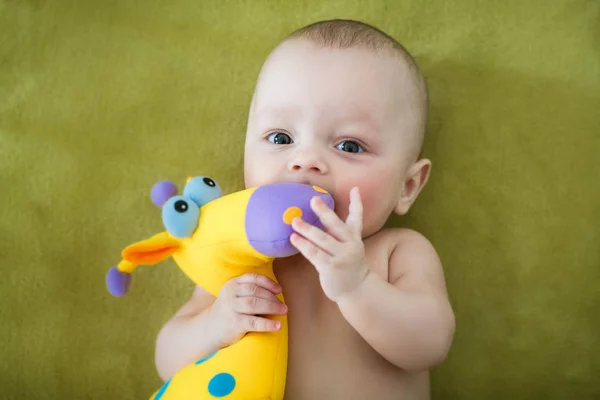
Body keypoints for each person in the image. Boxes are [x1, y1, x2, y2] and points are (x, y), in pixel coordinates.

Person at [155, 19, 455, 399]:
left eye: (349, 146)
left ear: (407, 187)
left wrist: (358, 286)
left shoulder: (396, 253)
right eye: (281, 138)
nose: (305, 160)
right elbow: (167, 358)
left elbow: (429, 345)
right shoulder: (240, 257)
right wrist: (215, 324)